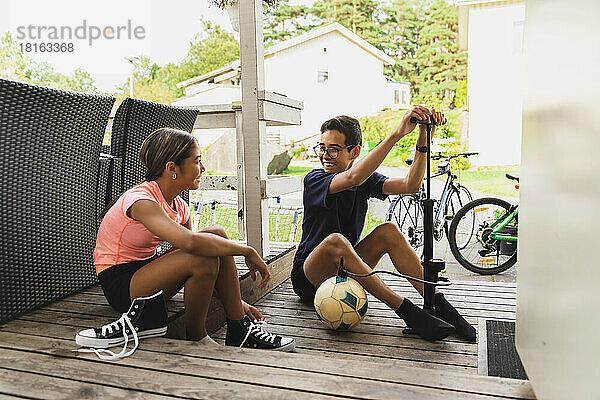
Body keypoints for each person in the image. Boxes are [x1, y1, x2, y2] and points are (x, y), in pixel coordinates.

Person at [81, 127, 296, 352]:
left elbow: (196, 259)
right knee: (202, 256)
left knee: (215, 234)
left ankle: (239, 328)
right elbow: (190, 244)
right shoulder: (141, 201)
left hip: (150, 276)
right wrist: (246, 251)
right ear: (172, 168)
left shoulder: (179, 206)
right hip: (122, 285)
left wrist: (234, 301)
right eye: (197, 161)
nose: (202, 168)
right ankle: (196, 338)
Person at [291, 108, 476, 342]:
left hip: (344, 268)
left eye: (334, 150)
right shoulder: (315, 179)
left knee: (388, 230)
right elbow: (352, 179)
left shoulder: (364, 179)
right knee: (335, 241)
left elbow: (410, 186)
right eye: (322, 148)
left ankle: (438, 302)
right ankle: (408, 312)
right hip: (310, 277)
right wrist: (396, 134)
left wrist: (422, 138)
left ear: (355, 151)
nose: (326, 155)